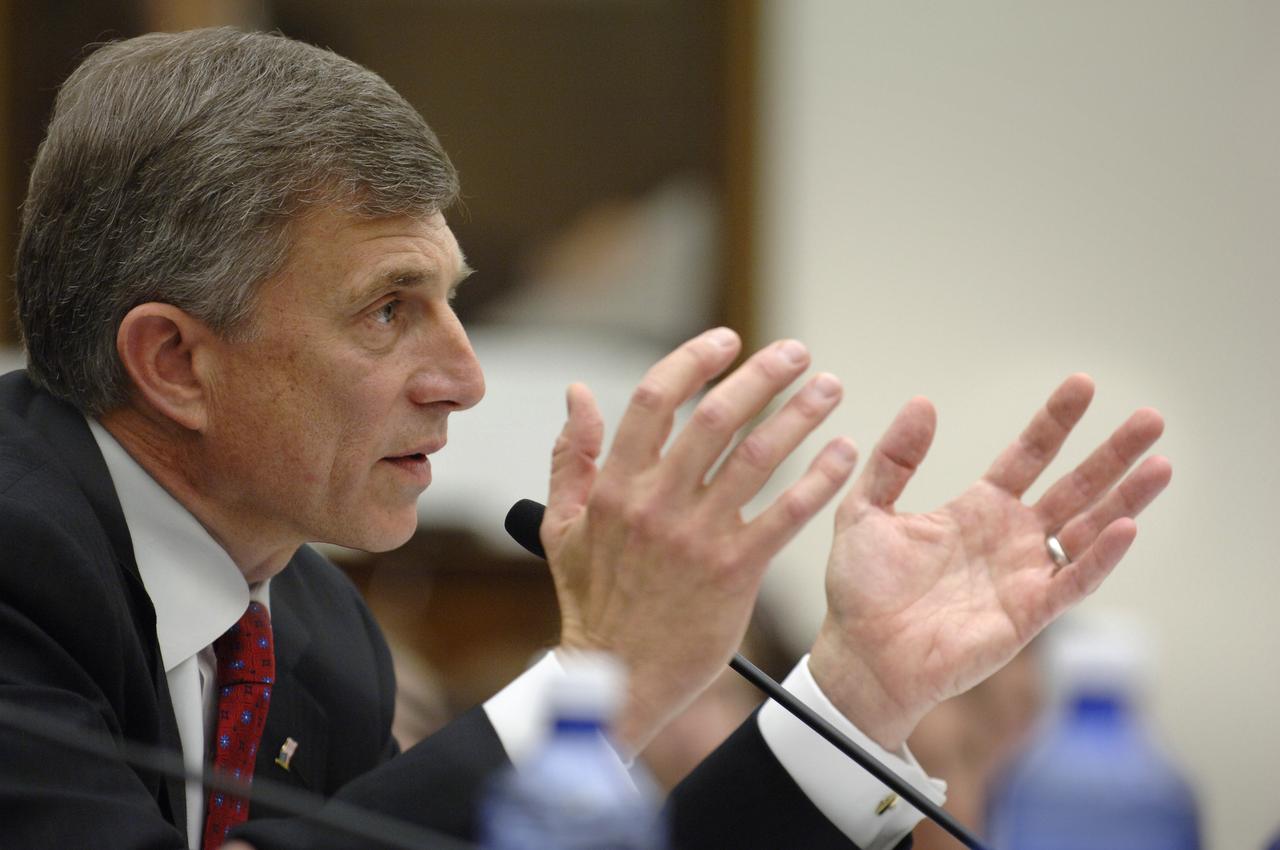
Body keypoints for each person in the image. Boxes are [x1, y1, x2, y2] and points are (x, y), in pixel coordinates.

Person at [0, 27, 1171, 850]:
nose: (461, 378)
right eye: (388, 308)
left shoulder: (312, 634)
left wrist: (851, 700)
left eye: (455, 301)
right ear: (173, 362)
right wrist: (603, 678)